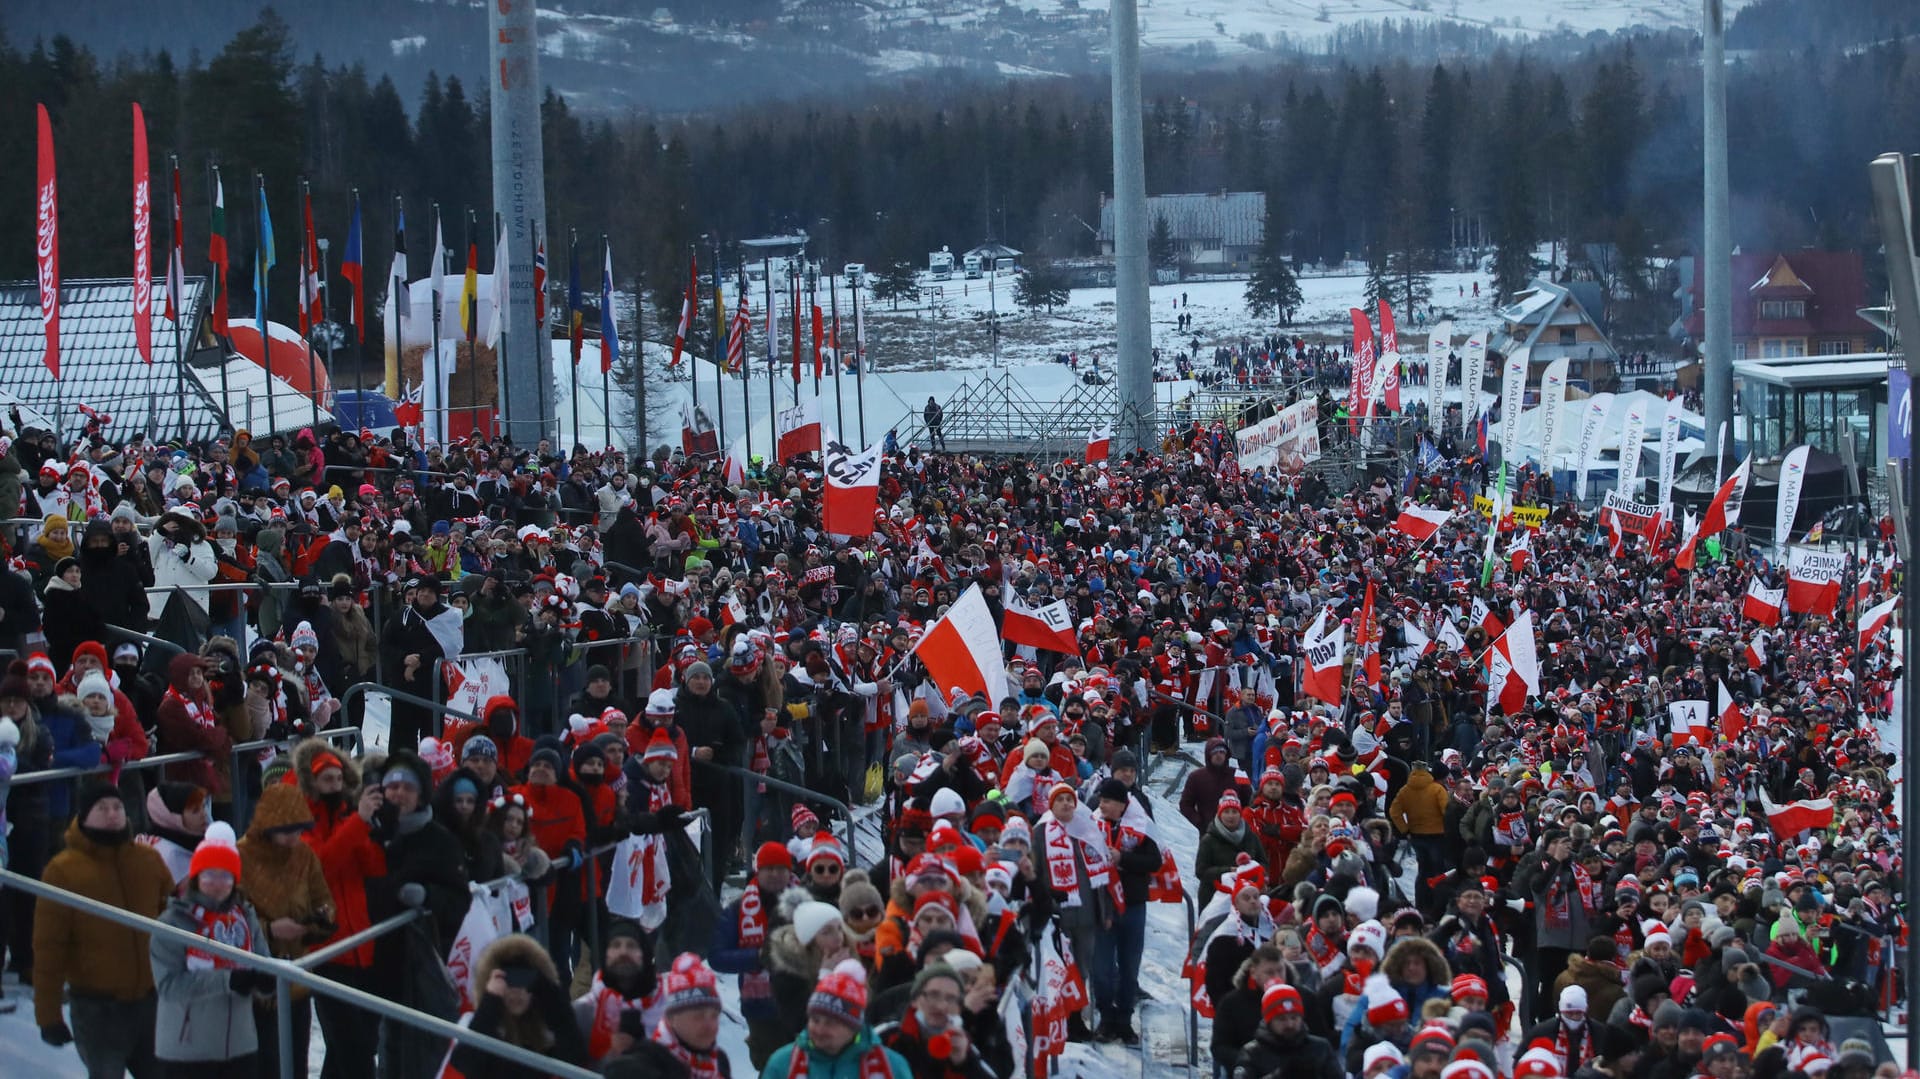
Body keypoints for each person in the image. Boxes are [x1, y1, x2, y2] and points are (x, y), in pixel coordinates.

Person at [33, 782, 175, 1079]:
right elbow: (49, 948)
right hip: (97, 1008)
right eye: (102, 808)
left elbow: (173, 920)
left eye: (117, 807)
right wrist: (48, 1015)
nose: (112, 814)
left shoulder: (147, 860)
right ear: (84, 816)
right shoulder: (62, 870)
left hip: (150, 1002)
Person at [150, 821, 273, 1078]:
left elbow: (262, 963)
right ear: (196, 878)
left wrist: (268, 980)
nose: (217, 883)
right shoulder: (173, 922)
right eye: (209, 875)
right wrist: (228, 980)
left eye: (225, 875)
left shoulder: (245, 917)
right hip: (187, 1052)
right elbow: (170, 987)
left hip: (240, 1046)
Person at [236, 783, 334, 1079]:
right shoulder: (240, 856)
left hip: (296, 981)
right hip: (256, 987)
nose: (294, 837)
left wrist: (316, 924)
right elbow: (231, 919)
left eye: (298, 829)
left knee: (296, 1065)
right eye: (287, 829)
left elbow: (324, 900)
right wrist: (270, 930)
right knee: (263, 1067)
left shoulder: (303, 855)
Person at [451, 932, 589, 1079]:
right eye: (510, 981)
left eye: (525, 981)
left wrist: (548, 990)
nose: (517, 992)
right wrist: (490, 1002)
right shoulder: (475, 1024)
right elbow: (464, 1066)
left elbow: (575, 1057)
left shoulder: (547, 1030)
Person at [760, 959, 912, 1079]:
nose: (819, 1029)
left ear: (854, 1026)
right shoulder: (782, 1064)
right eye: (815, 1020)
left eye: (831, 1023)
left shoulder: (891, 1066)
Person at [615, 952, 733, 1077]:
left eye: (714, 1016)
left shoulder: (719, 1061)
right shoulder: (646, 1063)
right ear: (671, 1018)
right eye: (698, 1016)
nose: (710, 1025)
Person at [876, 962, 995, 1078]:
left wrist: (963, 1063)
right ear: (915, 1000)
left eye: (950, 998)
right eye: (933, 995)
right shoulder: (888, 1036)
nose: (941, 1006)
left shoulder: (964, 1049)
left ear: (959, 1009)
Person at [1233, 982, 1343, 1079]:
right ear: (1269, 1021)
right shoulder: (1252, 1053)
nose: (1290, 1024)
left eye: (1294, 1017)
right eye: (1282, 1019)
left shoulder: (1321, 1048)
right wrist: (1278, 1076)